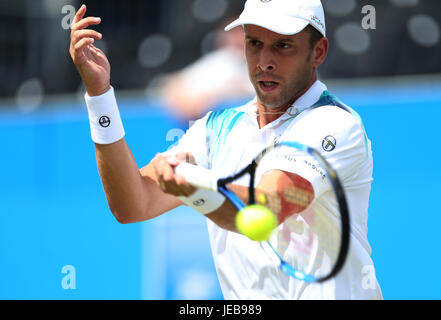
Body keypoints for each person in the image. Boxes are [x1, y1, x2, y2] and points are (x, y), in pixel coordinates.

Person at [69, 0, 383, 299]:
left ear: (318, 52)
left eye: (283, 46)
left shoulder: (335, 124)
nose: (264, 62)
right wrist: (99, 96)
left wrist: (194, 188)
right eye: (254, 44)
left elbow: (267, 207)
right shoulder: (216, 127)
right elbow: (132, 204)